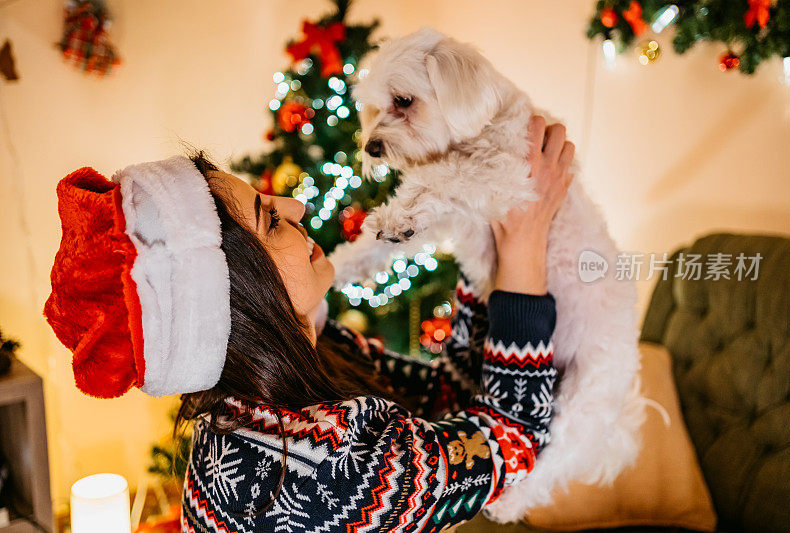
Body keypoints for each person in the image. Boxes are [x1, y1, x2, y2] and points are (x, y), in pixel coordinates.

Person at [43, 116, 574, 532]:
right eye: (270, 219)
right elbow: (516, 434)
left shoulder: (292, 367)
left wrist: (487, 242)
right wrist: (524, 238)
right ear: (236, 297)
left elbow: (446, 395)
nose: (295, 207)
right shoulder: (322, 470)